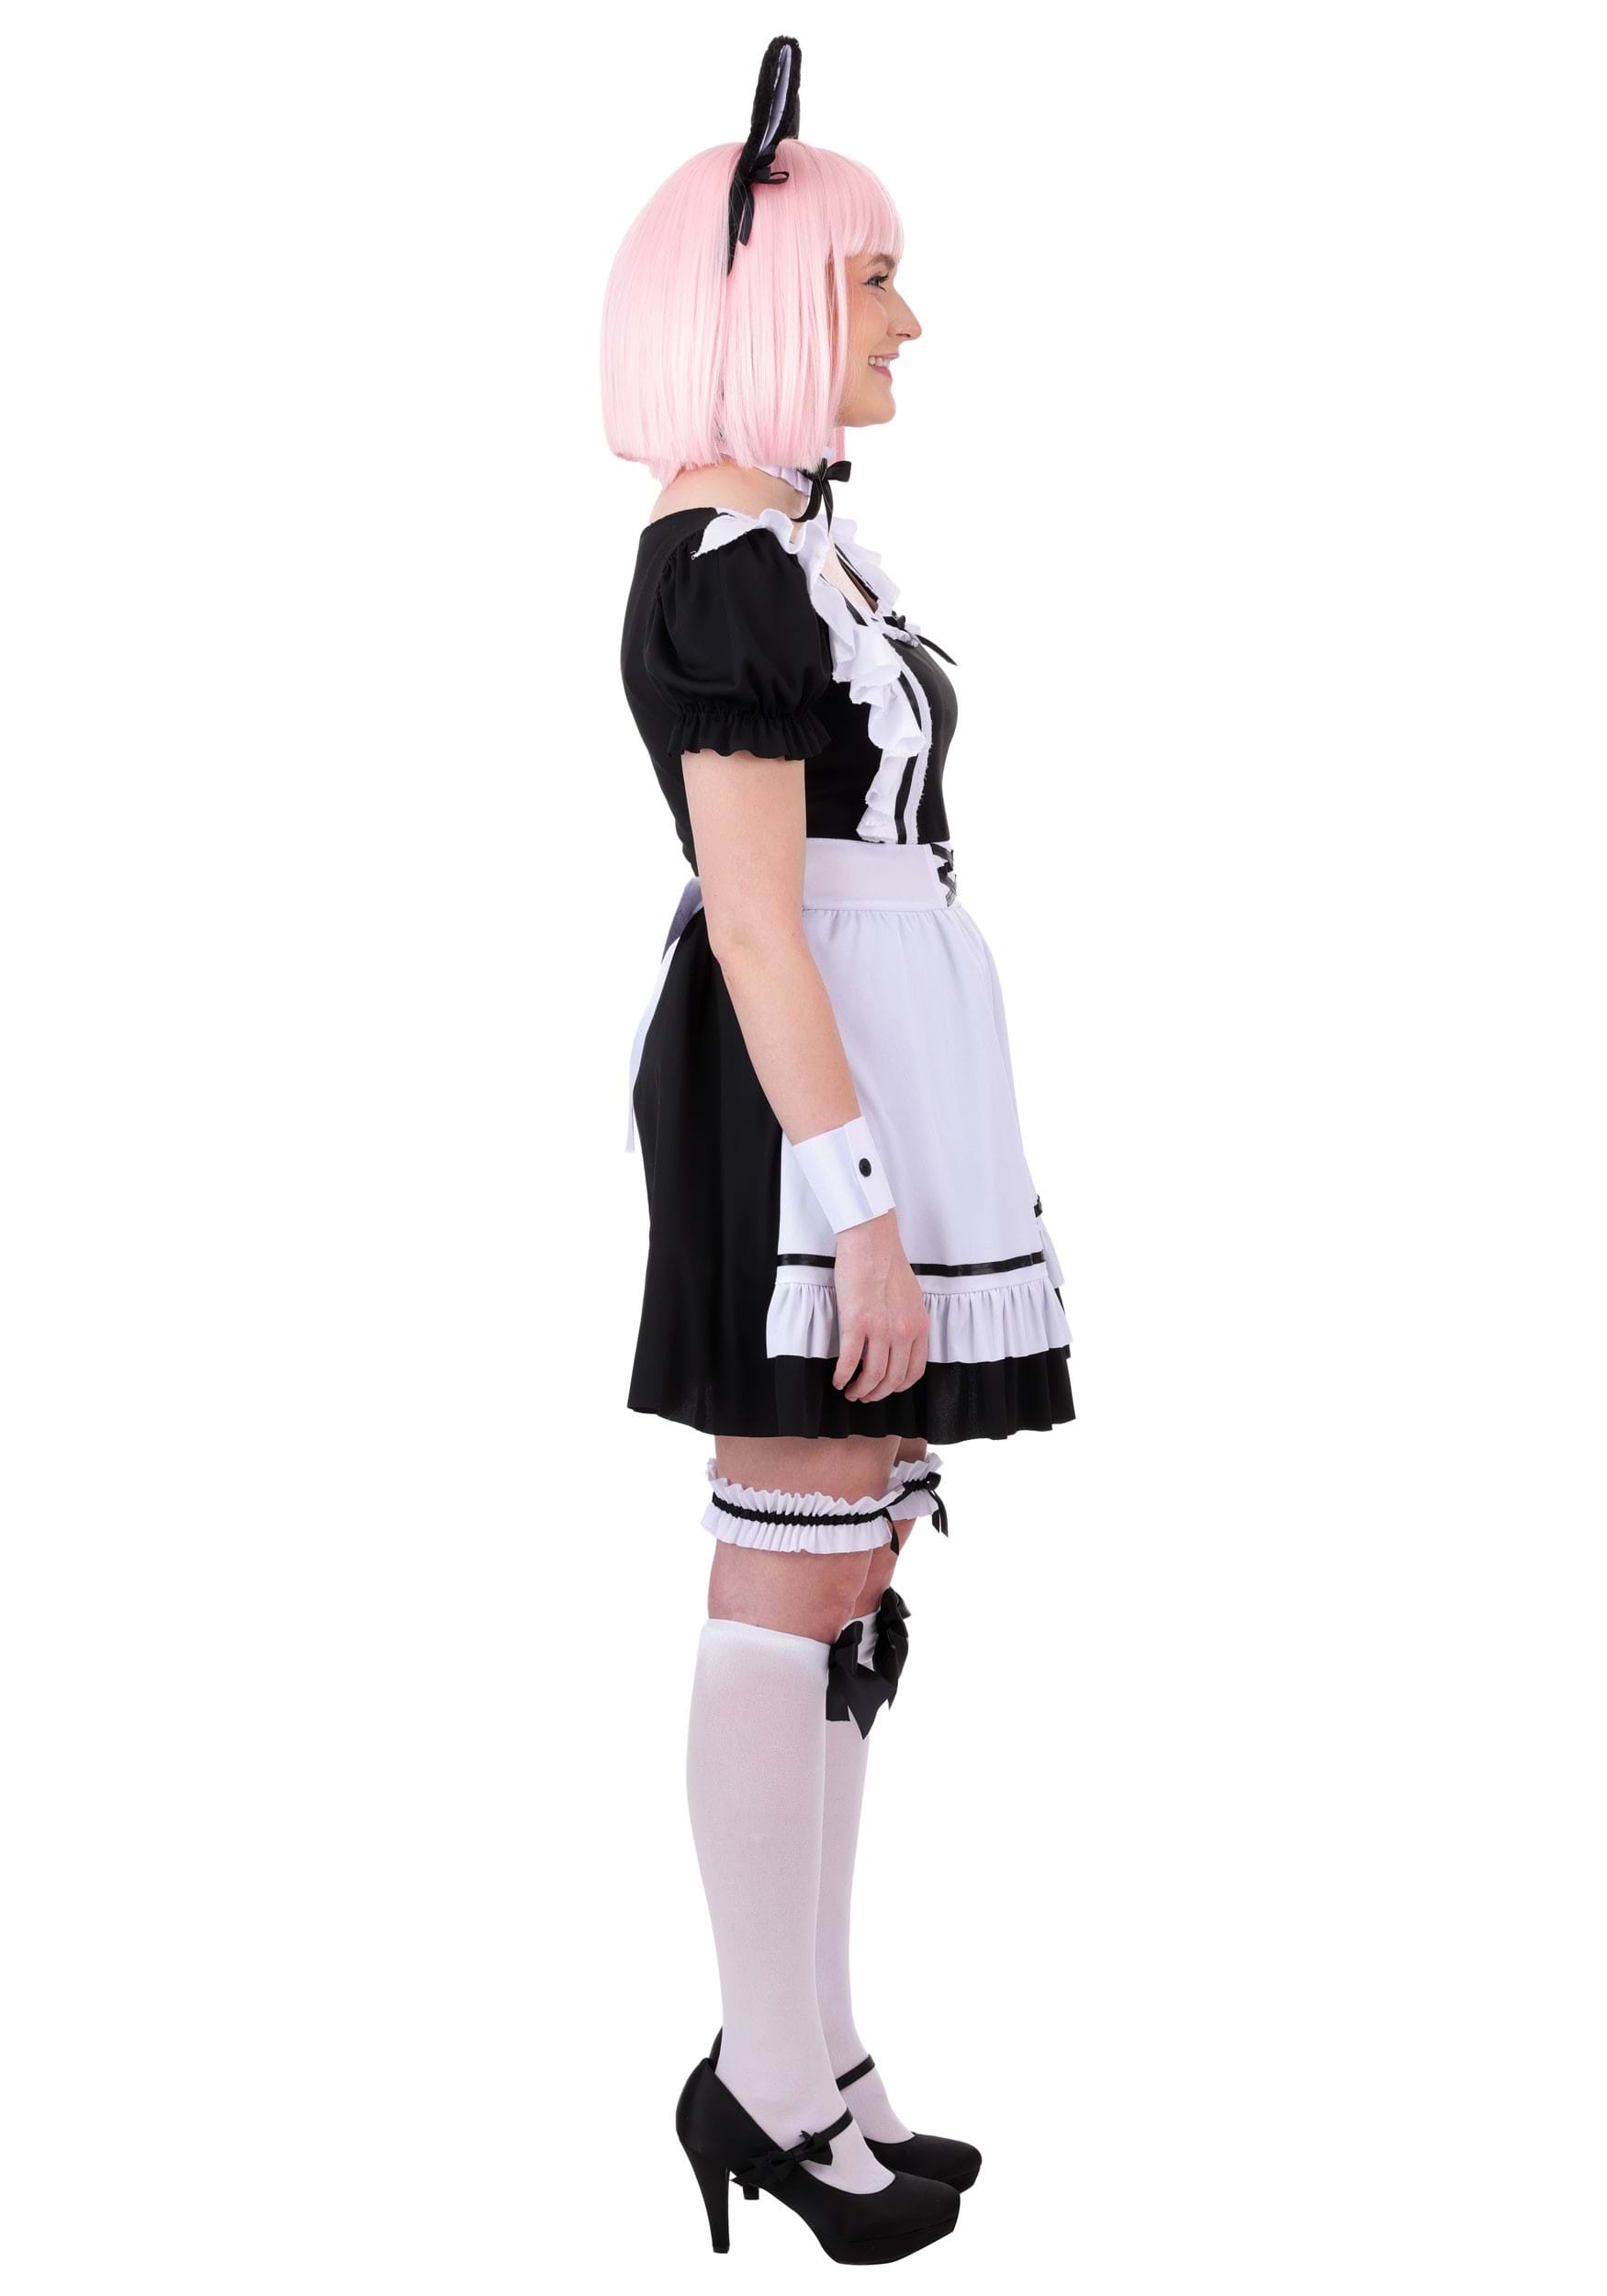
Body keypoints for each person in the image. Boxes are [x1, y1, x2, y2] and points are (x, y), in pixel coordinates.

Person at [601, 37, 1073, 2266]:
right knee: (787, 1561)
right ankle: (764, 2073)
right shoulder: (720, 564)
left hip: (864, 1088)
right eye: (870, 277)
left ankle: (818, 2050)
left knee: (850, 1563)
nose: (905, 320)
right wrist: (863, 1207)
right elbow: (758, 919)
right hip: (803, 1115)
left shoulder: (801, 547)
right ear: (769, 301)